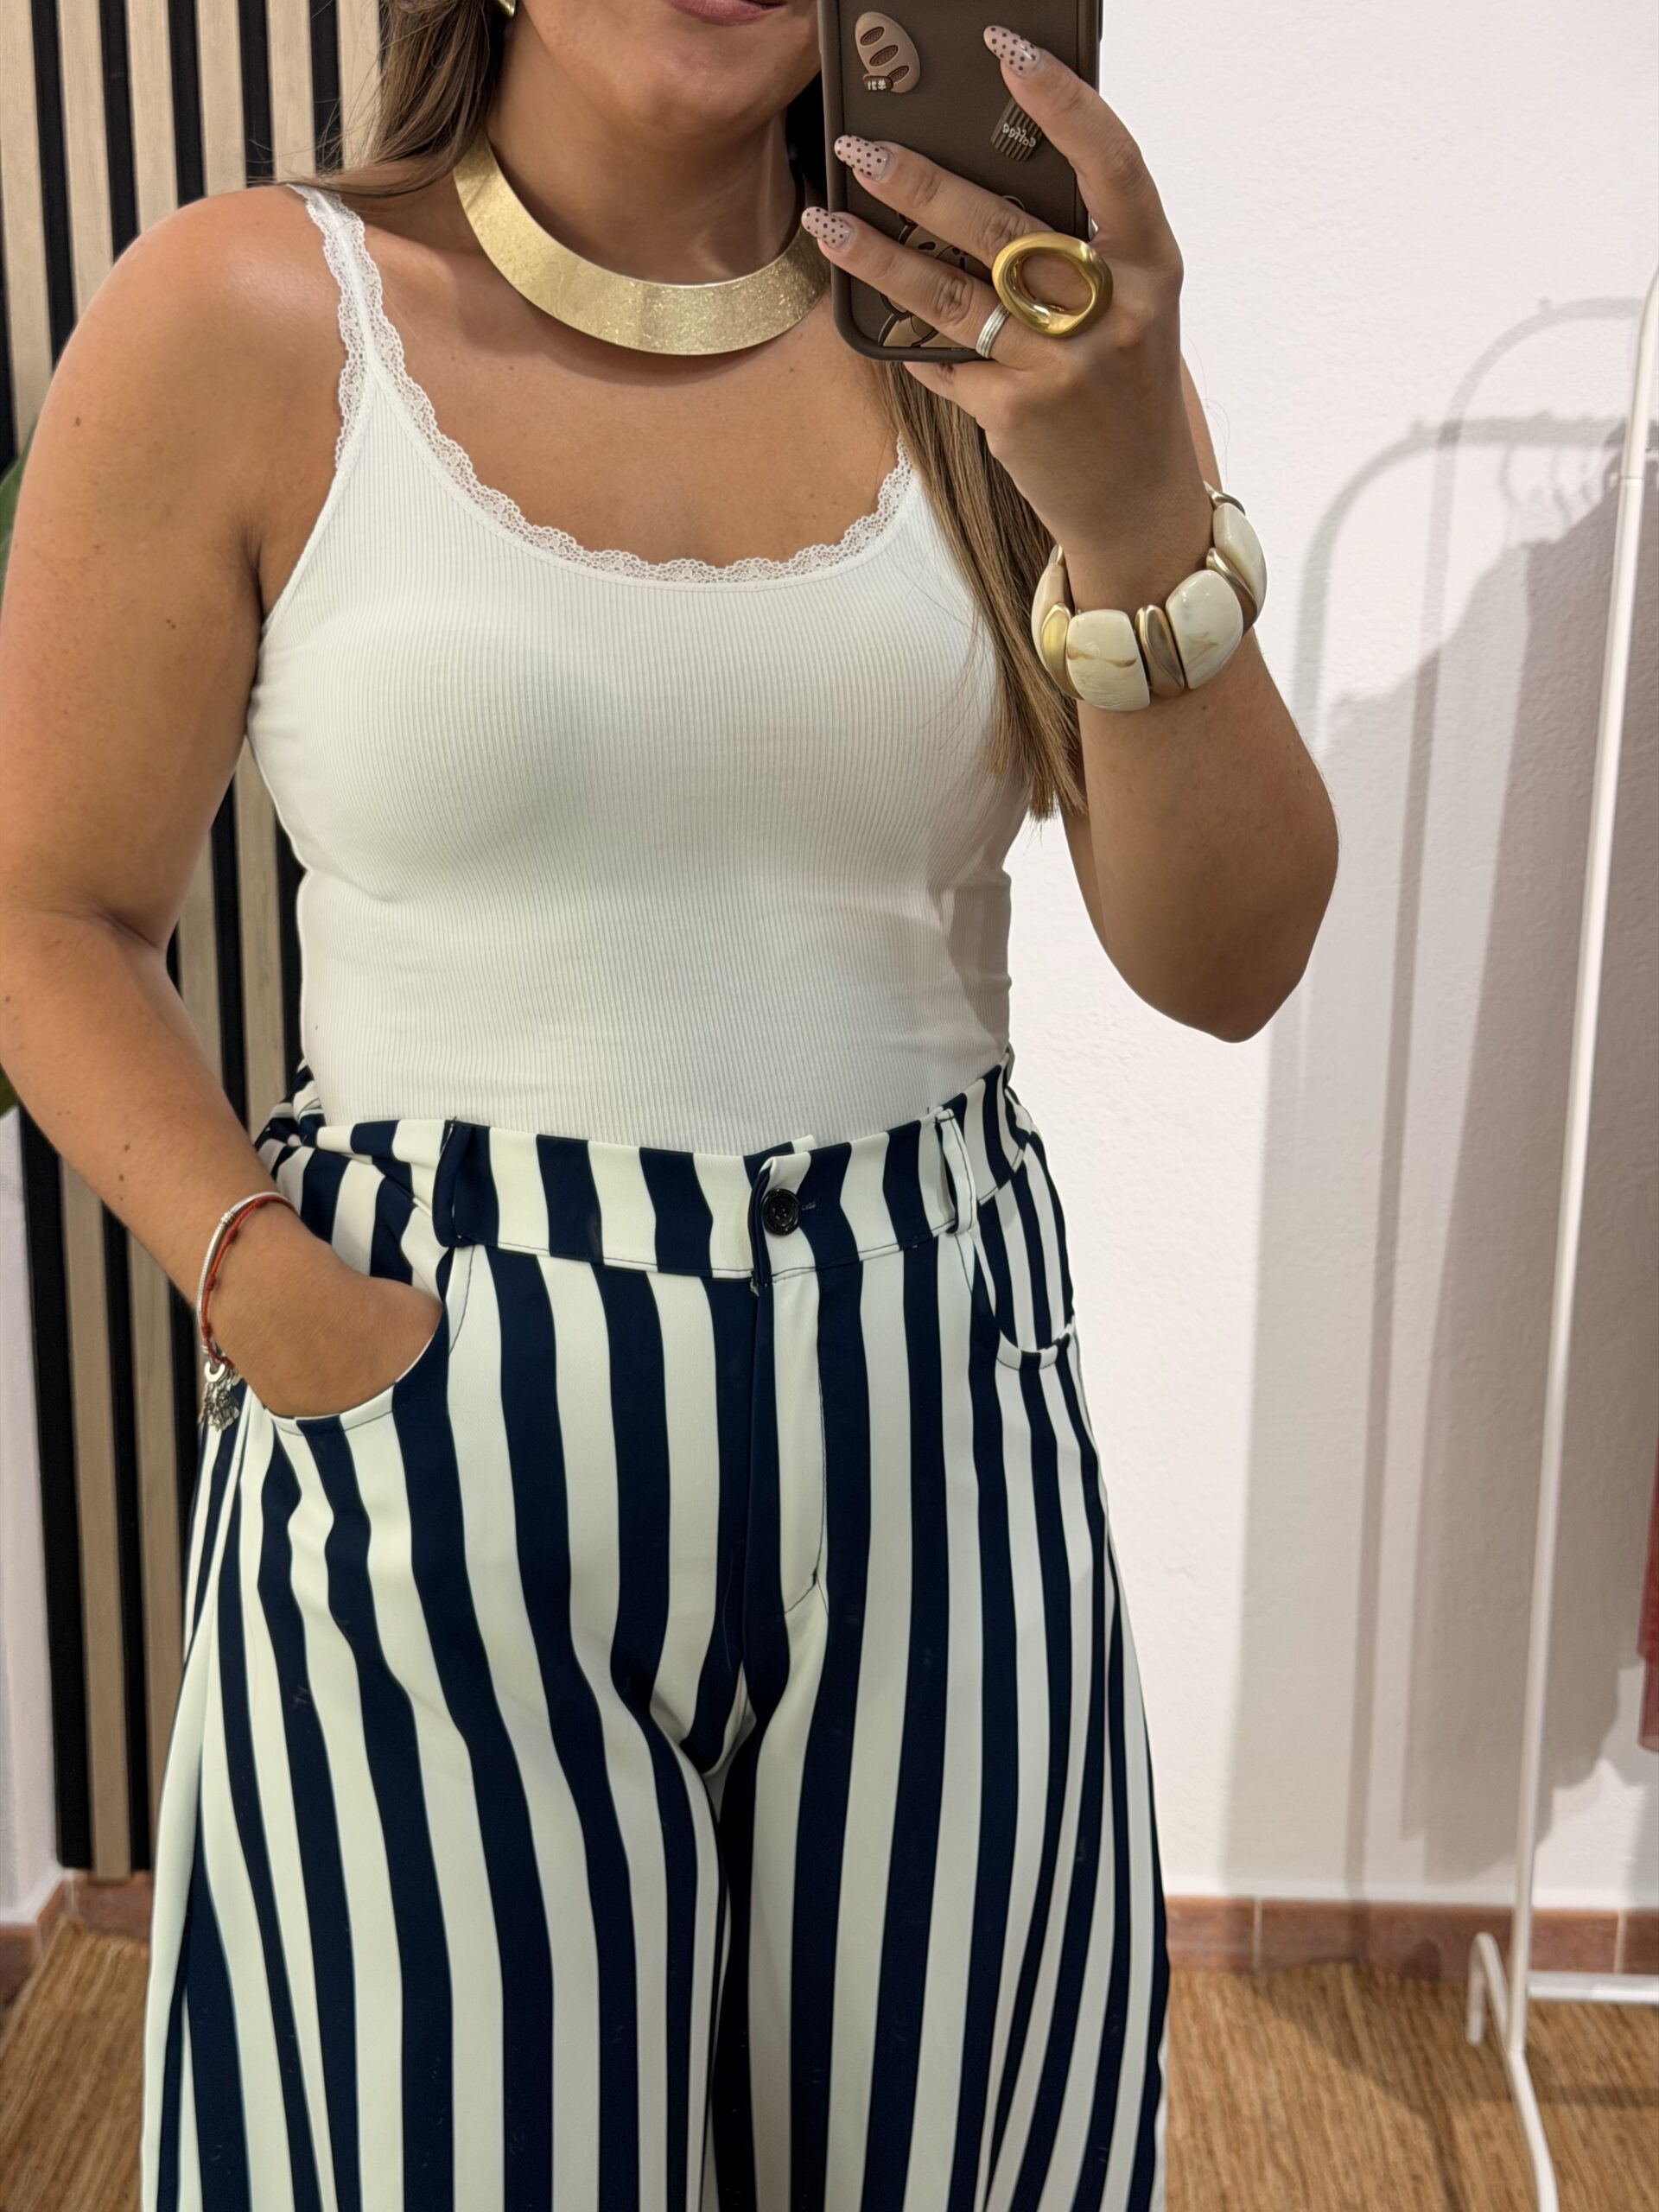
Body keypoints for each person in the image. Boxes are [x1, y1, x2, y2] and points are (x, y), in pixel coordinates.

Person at [0, 0, 1338, 2202]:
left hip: (939, 1410)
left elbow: (1234, 959)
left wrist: (1127, 500)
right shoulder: (250, 314)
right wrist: (266, 1290)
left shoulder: (1008, 338)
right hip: (432, 1404)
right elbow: (50, 910)